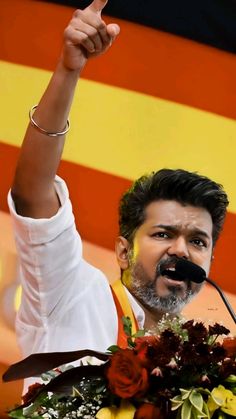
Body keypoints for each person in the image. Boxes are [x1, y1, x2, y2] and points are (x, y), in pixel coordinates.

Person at [8, 0, 228, 381]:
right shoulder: (72, 295)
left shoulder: (204, 375)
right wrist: (67, 70)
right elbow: (33, 193)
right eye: (163, 233)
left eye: (198, 241)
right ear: (123, 251)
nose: (181, 250)